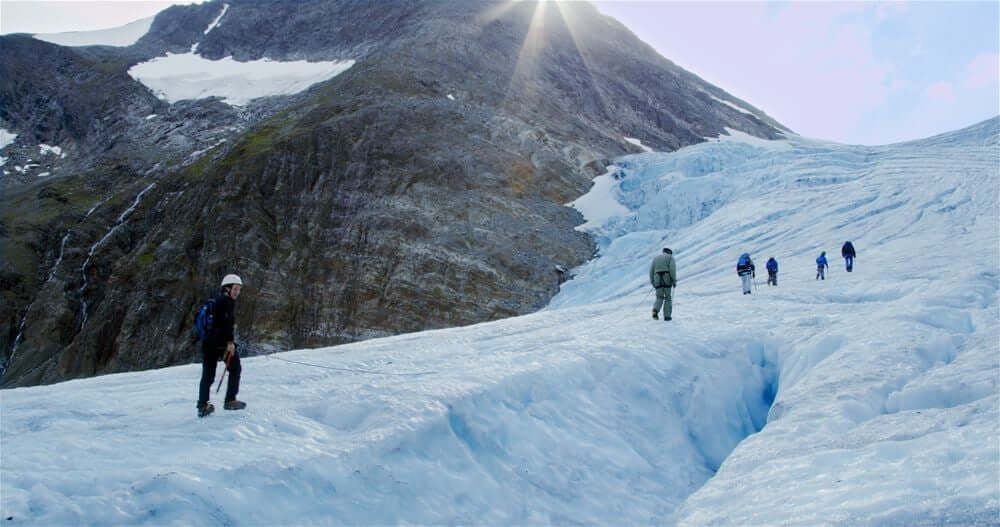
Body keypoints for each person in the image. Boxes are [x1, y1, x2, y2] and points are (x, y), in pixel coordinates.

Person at [197, 274, 246, 417]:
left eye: (239, 289)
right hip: (220, 344)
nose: (237, 292)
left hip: (208, 343)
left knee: (207, 375)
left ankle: (202, 405)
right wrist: (230, 343)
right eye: (235, 289)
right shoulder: (226, 302)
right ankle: (230, 400)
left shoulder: (217, 301)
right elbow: (226, 325)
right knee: (235, 368)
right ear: (227, 289)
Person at [649, 247, 677, 320]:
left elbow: (651, 272)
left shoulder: (655, 259)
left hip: (657, 279)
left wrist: (653, 283)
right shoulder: (670, 258)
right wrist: (674, 280)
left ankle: (655, 310)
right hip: (666, 277)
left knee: (659, 297)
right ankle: (667, 316)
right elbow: (672, 269)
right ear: (670, 252)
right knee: (668, 297)